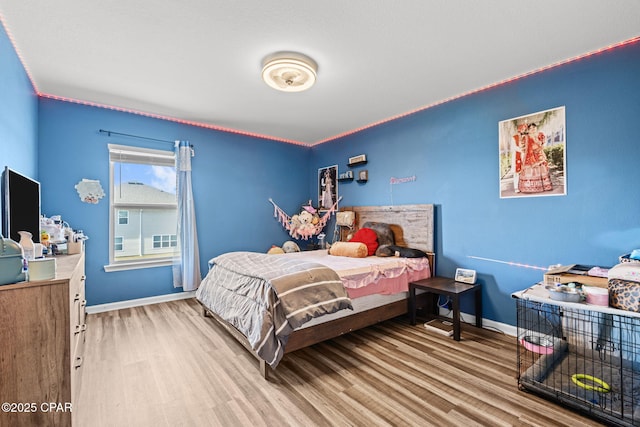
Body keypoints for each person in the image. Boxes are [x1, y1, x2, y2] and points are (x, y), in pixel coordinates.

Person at [519, 122, 553, 193]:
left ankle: (544, 186)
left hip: (539, 154)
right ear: (528, 129)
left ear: (536, 127)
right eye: (530, 128)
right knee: (531, 170)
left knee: (542, 169)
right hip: (530, 156)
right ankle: (530, 187)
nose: (532, 129)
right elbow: (522, 146)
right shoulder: (526, 137)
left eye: (533, 128)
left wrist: (539, 147)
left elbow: (544, 143)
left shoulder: (540, 135)